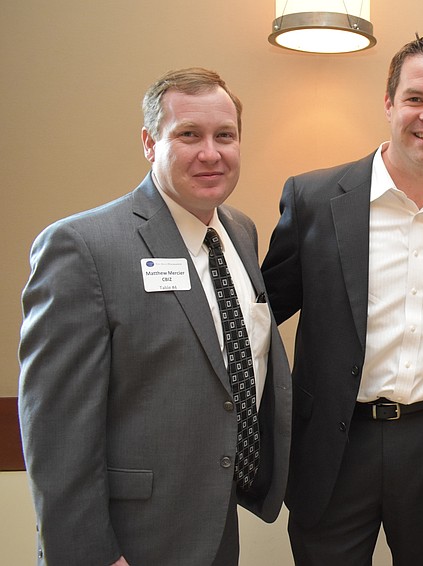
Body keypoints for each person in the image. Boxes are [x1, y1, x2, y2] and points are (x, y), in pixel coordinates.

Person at [18, 67, 292, 566]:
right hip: (132, 541)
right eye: (188, 135)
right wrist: (93, 556)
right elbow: (56, 433)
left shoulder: (240, 232)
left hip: (216, 526)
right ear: (149, 142)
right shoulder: (83, 247)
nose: (210, 153)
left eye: (224, 136)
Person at [261, 32, 423, 566]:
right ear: (389, 103)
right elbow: (261, 313)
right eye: (416, 98)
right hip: (335, 444)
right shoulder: (314, 199)